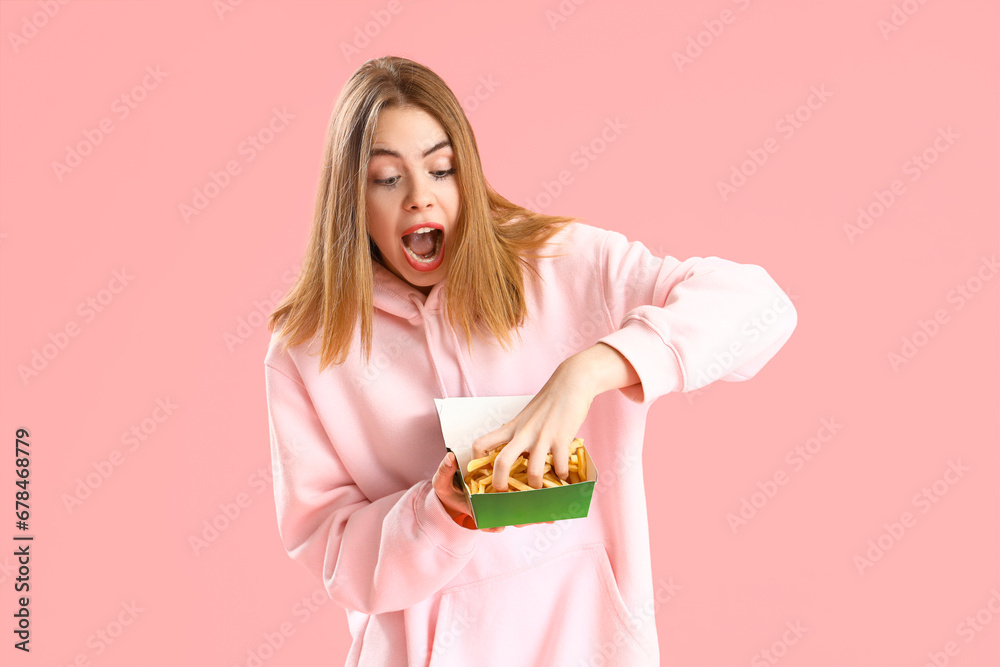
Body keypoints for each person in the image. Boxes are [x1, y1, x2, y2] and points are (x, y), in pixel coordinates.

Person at [264, 55, 797, 667]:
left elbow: (763, 309)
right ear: (350, 197)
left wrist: (594, 368)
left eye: (442, 169)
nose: (420, 198)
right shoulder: (309, 347)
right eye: (387, 178)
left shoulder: (565, 263)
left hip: (588, 646)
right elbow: (331, 550)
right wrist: (438, 514)